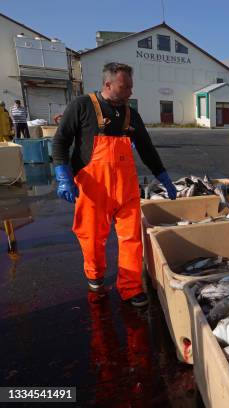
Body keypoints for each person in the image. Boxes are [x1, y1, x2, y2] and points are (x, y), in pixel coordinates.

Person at [52, 62, 178, 307]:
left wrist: (162, 175)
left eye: (131, 86)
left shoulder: (131, 114)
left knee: (131, 239)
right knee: (91, 238)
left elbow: (146, 149)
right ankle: (95, 276)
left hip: (126, 191)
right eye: (125, 86)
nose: (130, 91)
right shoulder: (82, 106)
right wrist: (63, 176)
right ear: (108, 84)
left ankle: (130, 288)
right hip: (92, 189)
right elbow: (60, 142)